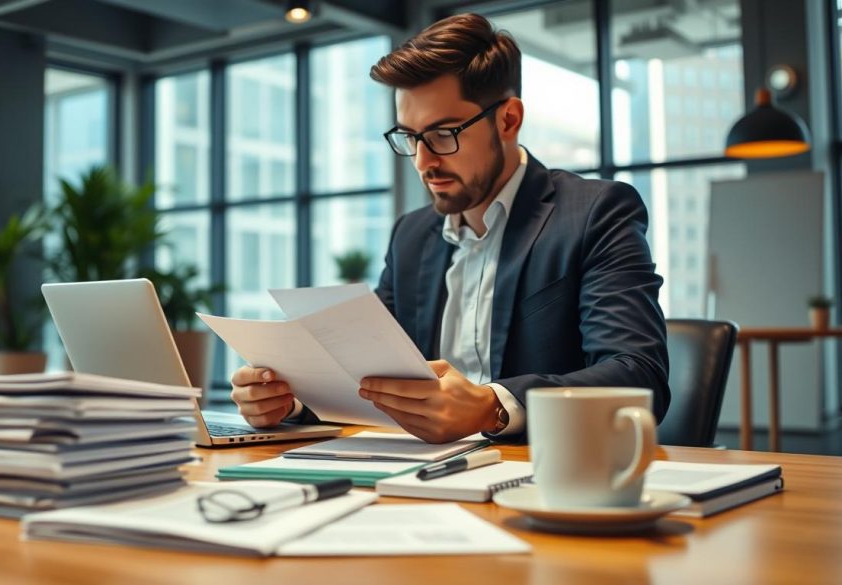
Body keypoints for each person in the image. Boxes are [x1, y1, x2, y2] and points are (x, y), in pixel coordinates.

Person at [230, 13, 669, 444]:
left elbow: (638, 376)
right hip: (424, 479)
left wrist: (492, 406)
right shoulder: (411, 236)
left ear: (508, 120)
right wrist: (291, 401)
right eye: (410, 137)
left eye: (443, 134)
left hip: (549, 476)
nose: (424, 161)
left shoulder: (595, 212)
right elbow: (364, 374)